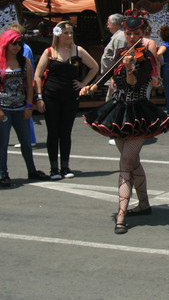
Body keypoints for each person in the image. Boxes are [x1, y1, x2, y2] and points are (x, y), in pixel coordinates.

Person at [80, 10, 169, 234]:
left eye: (136, 33)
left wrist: (131, 68)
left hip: (138, 114)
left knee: (125, 163)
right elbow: (111, 77)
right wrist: (92, 86)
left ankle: (121, 215)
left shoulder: (145, 57)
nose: (132, 37)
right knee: (133, 162)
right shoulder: (122, 53)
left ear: (143, 33)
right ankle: (144, 204)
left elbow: (132, 82)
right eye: (129, 33)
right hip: (119, 111)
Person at [34, 21, 98, 180]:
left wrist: (84, 83)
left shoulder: (78, 50)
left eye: (71, 33)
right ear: (58, 34)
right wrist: (39, 97)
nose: (69, 36)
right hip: (51, 96)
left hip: (70, 97)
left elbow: (95, 67)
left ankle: (65, 166)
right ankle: (53, 168)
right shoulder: (50, 52)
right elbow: (37, 75)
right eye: (65, 33)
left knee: (65, 132)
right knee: (53, 132)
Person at [0, 29, 49, 187]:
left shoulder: (25, 62)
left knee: (26, 141)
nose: (16, 46)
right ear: (6, 44)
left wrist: (29, 105)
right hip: (4, 108)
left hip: (21, 108)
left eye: (19, 43)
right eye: (13, 43)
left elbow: (30, 85)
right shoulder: (1, 61)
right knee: (3, 142)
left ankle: (32, 170)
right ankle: (3, 173)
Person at [9, 24, 38, 148]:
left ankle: (30, 138)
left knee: (25, 111)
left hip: (24, 84)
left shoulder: (24, 49)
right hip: (18, 85)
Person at [101, 14, 127, 100]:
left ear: (115, 25)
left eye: (108, 24)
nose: (107, 26)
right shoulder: (117, 36)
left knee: (114, 101)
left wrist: (113, 77)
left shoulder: (120, 37)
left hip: (116, 77)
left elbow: (119, 59)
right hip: (113, 76)